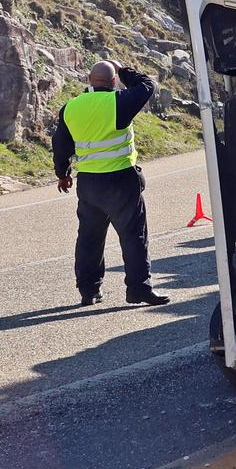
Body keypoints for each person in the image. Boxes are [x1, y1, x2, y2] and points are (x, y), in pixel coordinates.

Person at [54, 60, 168, 307]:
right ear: (114, 81)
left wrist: (62, 174)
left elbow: (61, 145)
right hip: (121, 180)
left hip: (89, 184)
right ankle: (138, 289)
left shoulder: (70, 107)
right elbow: (147, 85)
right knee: (133, 236)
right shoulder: (119, 102)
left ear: (88, 80)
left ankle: (89, 291)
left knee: (89, 239)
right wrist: (123, 68)